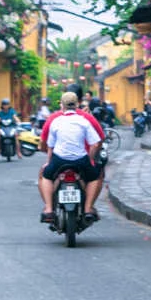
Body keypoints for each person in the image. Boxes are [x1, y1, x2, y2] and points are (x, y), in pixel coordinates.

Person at [38, 91, 105, 224]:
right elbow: (96, 143)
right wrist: (90, 159)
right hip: (81, 160)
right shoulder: (84, 120)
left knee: (45, 175)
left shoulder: (55, 120)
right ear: (77, 105)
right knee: (95, 176)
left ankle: (49, 209)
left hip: (59, 160)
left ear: (61, 105)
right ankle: (88, 209)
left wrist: (48, 163)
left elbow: (49, 146)